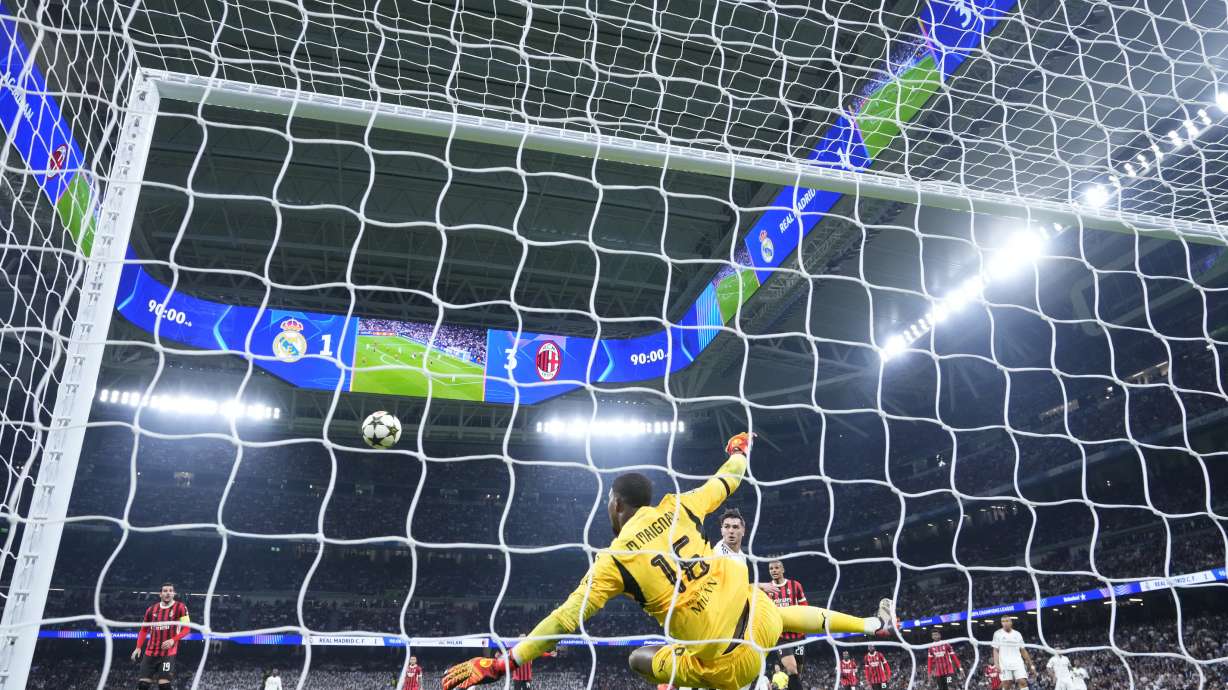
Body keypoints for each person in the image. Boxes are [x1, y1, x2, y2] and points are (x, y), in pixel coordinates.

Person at [442, 433, 895, 690]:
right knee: (769, 608)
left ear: (616, 503)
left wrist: (501, 663)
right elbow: (730, 479)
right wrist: (739, 448)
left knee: (641, 659)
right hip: (759, 623)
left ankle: (752, 683)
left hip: (722, 667)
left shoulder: (614, 559)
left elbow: (563, 621)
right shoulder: (680, 506)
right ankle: (870, 625)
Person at [130, 582, 191, 690]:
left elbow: (187, 628)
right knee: (142, 685)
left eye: (170, 591)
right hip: (150, 652)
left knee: (164, 686)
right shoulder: (151, 610)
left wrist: (173, 640)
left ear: (174, 593)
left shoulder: (181, 607)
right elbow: (144, 630)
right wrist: (138, 647)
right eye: (165, 591)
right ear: (160, 594)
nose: (168, 593)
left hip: (168, 653)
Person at [712, 509, 781, 596]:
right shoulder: (719, 554)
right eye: (727, 527)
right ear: (722, 530)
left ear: (743, 531)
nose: (731, 531)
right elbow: (734, 588)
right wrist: (760, 586)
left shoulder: (740, 555)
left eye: (735, 527)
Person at [765, 560, 808, 690]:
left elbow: (805, 608)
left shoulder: (795, 586)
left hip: (798, 635)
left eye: (777, 568)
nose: (774, 570)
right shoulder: (766, 590)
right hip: (781, 637)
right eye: (771, 568)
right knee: (791, 668)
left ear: (783, 570)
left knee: (797, 672)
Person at [992, 616, 1035, 689]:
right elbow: (995, 650)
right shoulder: (997, 634)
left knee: (1022, 682)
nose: (1005, 623)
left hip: (1017, 662)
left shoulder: (1017, 634)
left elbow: (1023, 650)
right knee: (1007, 684)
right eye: (1003, 621)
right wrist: (996, 664)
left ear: (1011, 622)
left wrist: (1031, 665)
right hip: (1004, 663)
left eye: (1007, 621)